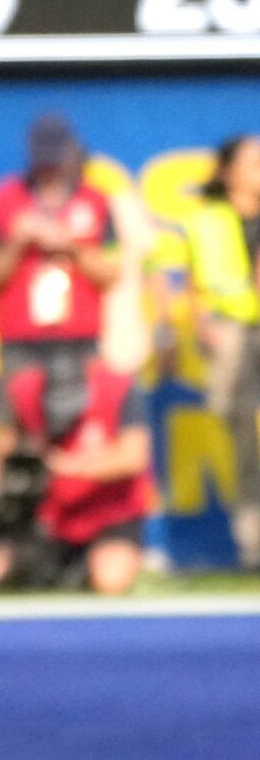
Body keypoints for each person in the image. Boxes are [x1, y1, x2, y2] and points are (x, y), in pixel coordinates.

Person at [0, 346, 152, 594]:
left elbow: (133, 457)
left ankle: (96, 566)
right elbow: (5, 442)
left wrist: (72, 466)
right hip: (52, 517)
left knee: (110, 579)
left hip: (111, 514)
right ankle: (60, 569)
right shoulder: (25, 391)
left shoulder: (117, 389)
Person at [0, 113, 118, 383]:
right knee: (17, 418)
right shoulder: (4, 200)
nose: (49, 167)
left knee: (86, 420)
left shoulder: (96, 202)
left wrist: (72, 247)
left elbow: (111, 274)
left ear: (71, 151)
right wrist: (18, 242)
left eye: (55, 157)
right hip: (21, 337)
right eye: (43, 156)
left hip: (80, 336)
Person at [184, 135, 260, 570]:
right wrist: (202, 324)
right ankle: (253, 547)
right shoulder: (207, 219)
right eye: (252, 162)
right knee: (243, 443)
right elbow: (196, 280)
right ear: (229, 170)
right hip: (233, 330)